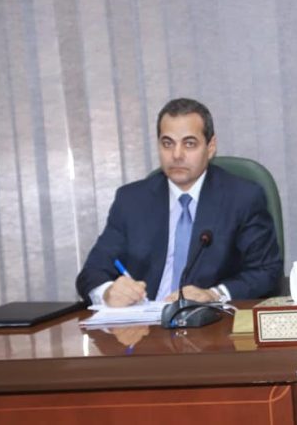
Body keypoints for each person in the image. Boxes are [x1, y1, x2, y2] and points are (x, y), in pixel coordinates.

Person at [76, 98, 282, 306]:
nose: (176, 155)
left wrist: (214, 294)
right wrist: (107, 292)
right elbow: (92, 272)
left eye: (189, 144)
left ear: (210, 147)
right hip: (144, 320)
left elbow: (266, 271)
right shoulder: (131, 201)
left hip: (209, 319)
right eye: (168, 144)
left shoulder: (242, 198)